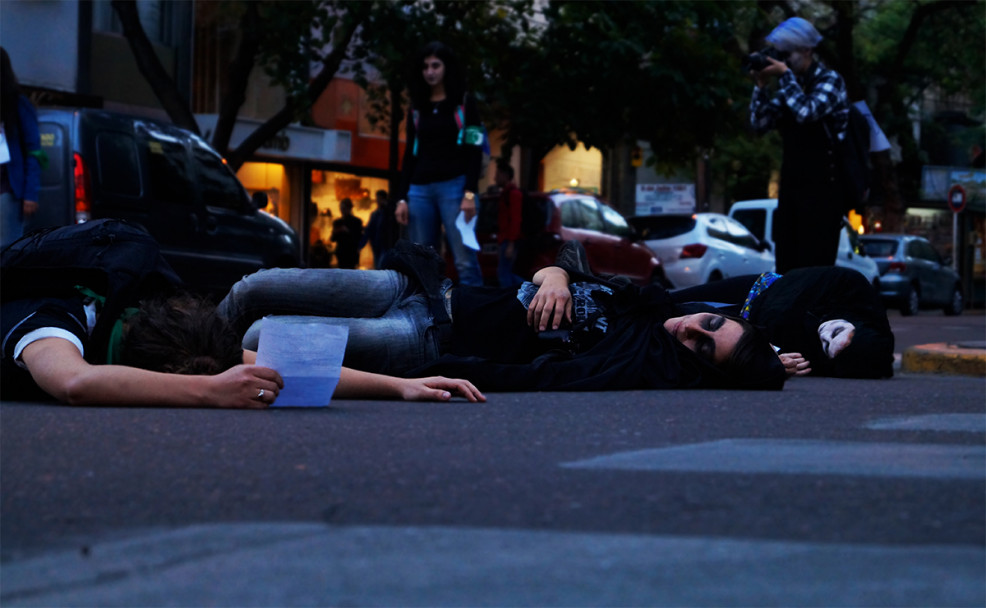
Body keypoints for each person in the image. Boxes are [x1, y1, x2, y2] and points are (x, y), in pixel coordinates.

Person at [218, 240, 788, 392]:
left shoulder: (625, 364)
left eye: (702, 345)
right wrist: (559, 277)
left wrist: (423, 378)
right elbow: (565, 260)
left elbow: (533, 377)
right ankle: (159, 339)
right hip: (421, 289)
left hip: (419, 338)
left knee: (263, 335)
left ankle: (183, 372)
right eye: (709, 323)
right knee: (254, 288)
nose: (691, 329)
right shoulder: (644, 301)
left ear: (698, 370)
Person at [749, 17, 850, 273]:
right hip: (792, 190)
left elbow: (807, 112)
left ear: (807, 50)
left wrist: (783, 76)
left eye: (786, 55)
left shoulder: (830, 80)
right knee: (787, 268)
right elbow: (759, 125)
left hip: (823, 193)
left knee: (814, 270)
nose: (782, 61)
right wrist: (760, 86)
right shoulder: (789, 87)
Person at [670, 266, 894, 379]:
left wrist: (769, 359)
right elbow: (777, 317)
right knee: (669, 303)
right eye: (836, 333)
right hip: (756, 292)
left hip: (741, 329)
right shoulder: (851, 289)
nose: (826, 338)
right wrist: (767, 355)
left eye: (829, 348)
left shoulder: (838, 359)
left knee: (681, 334)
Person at [394, 41, 484, 286]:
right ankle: (429, 319)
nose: (430, 71)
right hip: (419, 191)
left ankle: (475, 318)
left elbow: (475, 151)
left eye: (436, 65)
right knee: (422, 263)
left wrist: (470, 193)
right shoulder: (416, 108)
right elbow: (410, 155)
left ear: (447, 68)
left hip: (455, 188)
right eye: (425, 67)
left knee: (465, 262)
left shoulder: (464, 103)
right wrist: (401, 197)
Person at [0, 47, 42, 248]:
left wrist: (30, 194)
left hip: (8, 189)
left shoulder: (17, 103)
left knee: (6, 251)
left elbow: (35, 151)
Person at [494, 161, 525, 287]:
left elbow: (515, 219)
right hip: (505, 240)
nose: (495, 178)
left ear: (505, 175)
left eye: (497, 174)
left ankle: (531, 290)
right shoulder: (506, 194)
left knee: (504, 274)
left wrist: (511, 244)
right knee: (505, 273)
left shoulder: (513, 194)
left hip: (508, 240)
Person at [360, 190, 399, 269]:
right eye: (377, 199)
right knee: (378, 266)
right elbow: (369, 229)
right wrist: (361, 244)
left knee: (382, 266)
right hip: (377, 245)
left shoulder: (389, 212)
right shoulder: (375, 214)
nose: (378, 201)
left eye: (380, 199)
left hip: (386, 245)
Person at [331, 197, 364, 269]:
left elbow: (359, 238)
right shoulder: (337, 222)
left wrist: (347, 231)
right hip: (341, 254)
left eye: (344, 208)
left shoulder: (356, 222)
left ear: (349, 208)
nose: (342, 211)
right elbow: (332, 239)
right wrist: (336, 232)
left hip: (351, 254)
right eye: (341, 208)